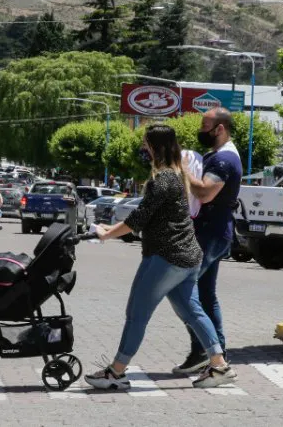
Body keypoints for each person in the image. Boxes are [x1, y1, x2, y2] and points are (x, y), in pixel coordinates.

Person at [86, 125, 237, 390]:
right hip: (189, 257)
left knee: (137, 313)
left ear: (155, 147)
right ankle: (219, 366)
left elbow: (139, 218)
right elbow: (151, 216)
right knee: (192, 311)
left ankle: (116, 372)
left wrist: (106, 234)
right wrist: (111, 229)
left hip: (166, 257)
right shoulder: (178, 175)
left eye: (146, 144)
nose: (143, 149)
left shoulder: (163, 178)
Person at [172, 107, 242, 375]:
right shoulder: (219, 155)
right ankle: (212, 351)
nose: (201, 131)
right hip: (214, 232)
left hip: (210, 235)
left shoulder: (224, 159)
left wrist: (183, 170)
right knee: (205, 295)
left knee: (180, 290)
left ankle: (208, 351)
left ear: (219, 129)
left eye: (204, 126)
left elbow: (205, 193)